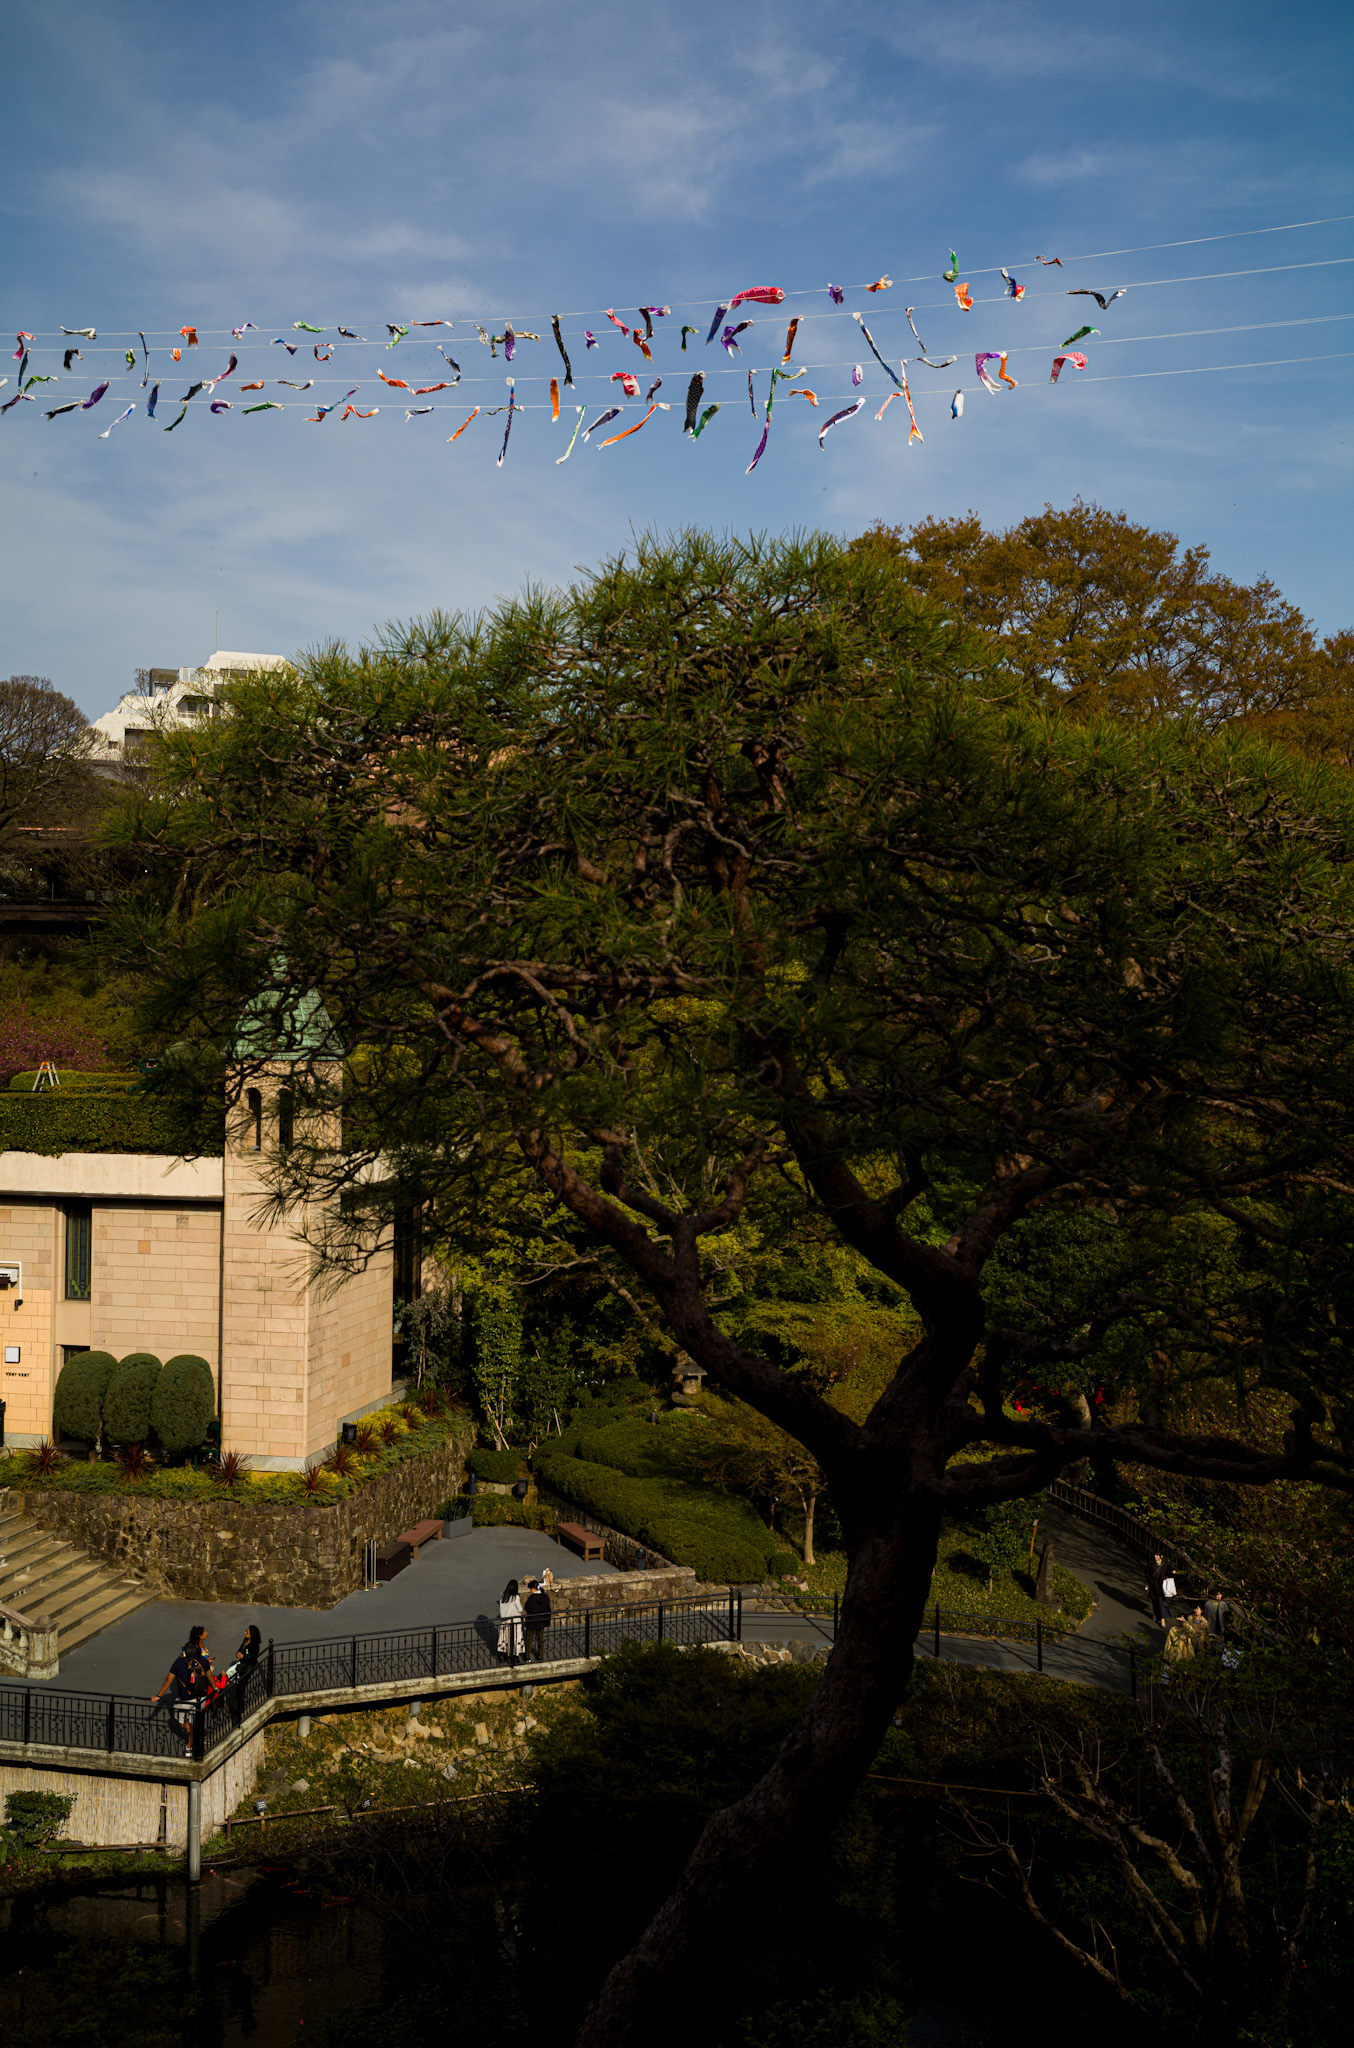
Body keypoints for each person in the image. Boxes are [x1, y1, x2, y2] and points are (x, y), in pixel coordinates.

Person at [152, 1624, 214, 1755]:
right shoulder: (203, 1660)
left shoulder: (179, 1662)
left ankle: (190, 1742)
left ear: (184, 1652)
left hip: (185, 1699)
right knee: (193, 1721)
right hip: (200, 1697)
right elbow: (209, 1675)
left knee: (181, 1722)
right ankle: (192, 1742)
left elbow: (168, 1680)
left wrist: (159, 1695)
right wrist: (215, 1687)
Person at [523, 1577, 552, 1661]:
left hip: (532, 1621)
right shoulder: (545, 1596)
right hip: (541, 1621)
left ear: (533, 1589)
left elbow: (527, 1608)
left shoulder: (532, 1598)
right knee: (540, 1639)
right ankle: (540, 1655)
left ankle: (527, 1656)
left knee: (529, 1639)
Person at [1146, 1552, 1174, 1629]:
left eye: (1158, 1555)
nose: (1156, 1556)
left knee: (1161, 1602)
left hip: (1162, 1586)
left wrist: (1172, 1571)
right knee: (1154, 1601)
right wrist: (1150, 1581)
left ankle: (1162, 1619)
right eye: (1155, 1555)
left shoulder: (1165, 1563)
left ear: (1161, 1556)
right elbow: (1147, 1573)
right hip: (1153, 1585)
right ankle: (1155, 1613)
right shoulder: (1151, 1563)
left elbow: (1169, 1570)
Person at [497, 1579, 523, 1659]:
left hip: (505, 1620)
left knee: (504, 1637)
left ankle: (503, 1654)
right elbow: (520, 1609)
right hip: (515, 1621)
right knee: (516, 1638)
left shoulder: (502, 1595)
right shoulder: (515, 1597)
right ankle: (515, 1655)